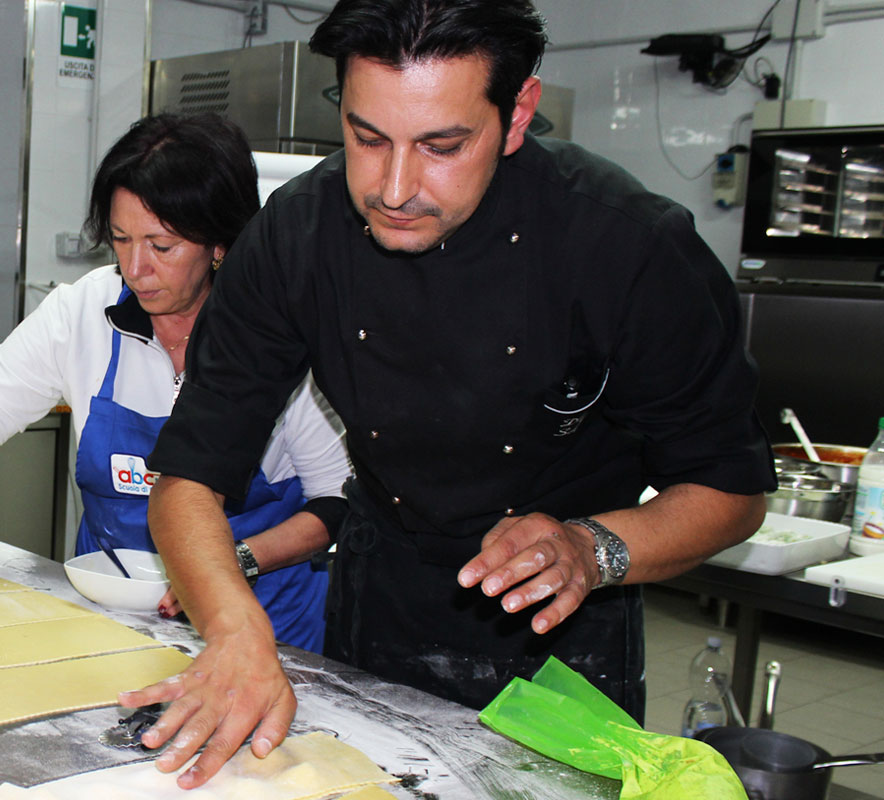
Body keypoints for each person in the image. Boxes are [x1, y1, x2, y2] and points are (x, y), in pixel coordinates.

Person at [125, 0, 776, 788]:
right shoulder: (296, 236)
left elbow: (730, 489)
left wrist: (590, 548)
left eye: (442, 146)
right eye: (368, 138)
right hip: (381, 604)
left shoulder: (625, 246)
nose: (395, 187)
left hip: (563, 634)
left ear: (517, 115)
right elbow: (188, 477)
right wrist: (234, 629)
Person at [0, 113, 351, 653]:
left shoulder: (274, 333)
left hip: (266, 631)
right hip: (112, 623)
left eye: (161, 246)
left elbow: (336, 503)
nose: (136, 268)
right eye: (121, 239)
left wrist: (225, 564)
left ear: (220, 244)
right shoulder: (84, 314)